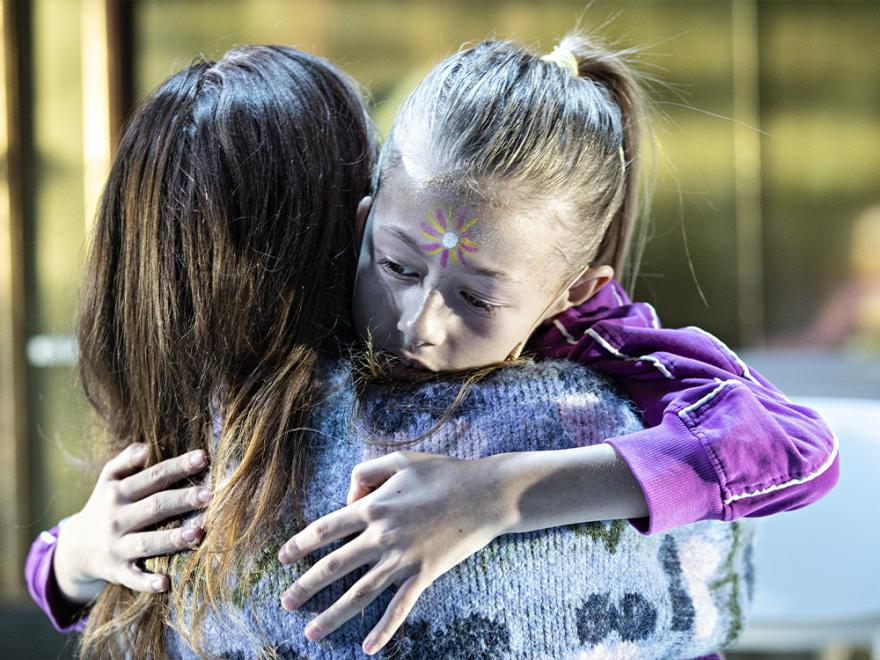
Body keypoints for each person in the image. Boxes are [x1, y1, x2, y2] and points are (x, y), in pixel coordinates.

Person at [24, 32, 837, 658]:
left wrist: (496, 495)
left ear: (572, 291)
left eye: (478, 297)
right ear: (361, 224)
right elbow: (67, 568)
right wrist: (76, 556)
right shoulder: (309, 353)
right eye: (397, 267)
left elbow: (795, 445)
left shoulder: (606, 339)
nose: (421, 322)